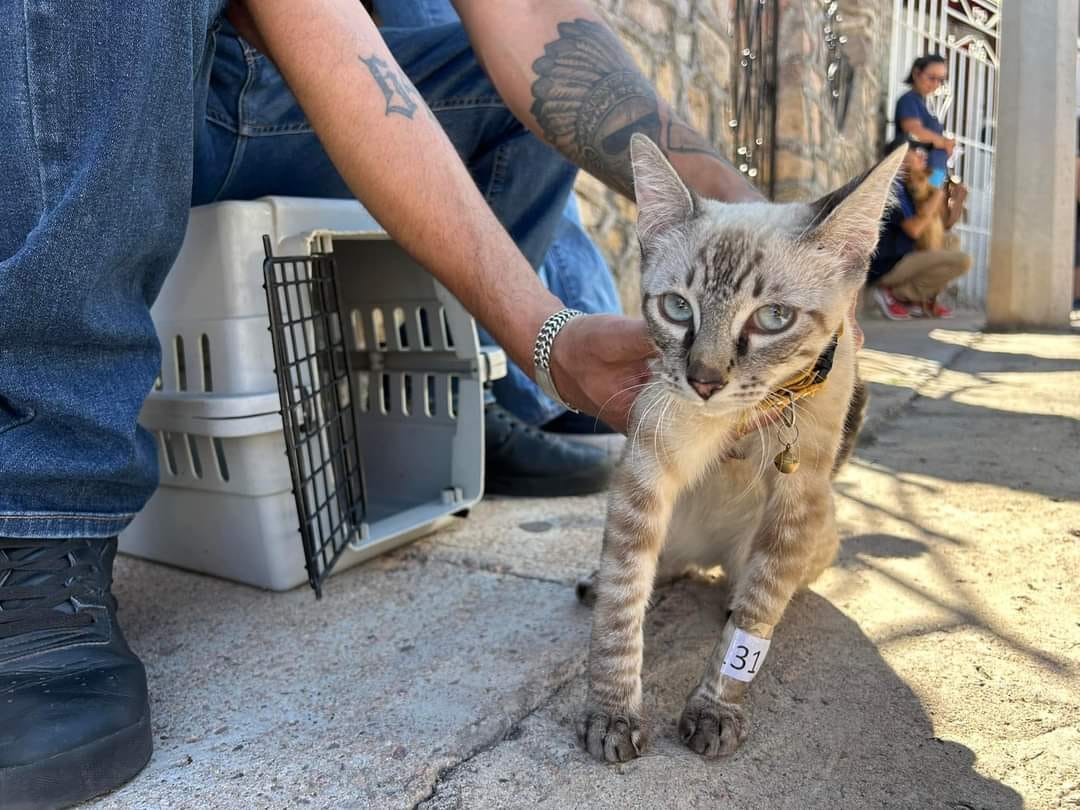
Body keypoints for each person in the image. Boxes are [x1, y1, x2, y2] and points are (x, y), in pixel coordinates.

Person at [0, 0, 763, 805]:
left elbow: (538, 25)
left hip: (261, 83)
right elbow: (313, 24)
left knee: (523, 90)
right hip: (103, 80)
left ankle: (463, 401)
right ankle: (41, 502)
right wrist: (545, 329)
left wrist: (747, 219)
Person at [869, 143, 971, 319]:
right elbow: (915, 230)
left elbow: (945, 225)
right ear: (899, 158)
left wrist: (958, 200)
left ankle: (921, 299)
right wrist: (938, 195)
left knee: (952, 242)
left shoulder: (908, 187)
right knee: (962, 261)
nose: (922, 157)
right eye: (916, 154)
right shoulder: (891, 188)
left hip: (904, 257)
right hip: (887, 265)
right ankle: (899, 294)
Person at [896, 54, 955, 191]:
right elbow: (913, 131)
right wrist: (942, 142)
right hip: (920, 176)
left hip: (934, 176)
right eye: (931, 78)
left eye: (940, 80)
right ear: (917, 73)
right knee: (925, 209)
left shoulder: (924, 103)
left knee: (934, 204)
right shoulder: (909, 100)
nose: (935, 84)